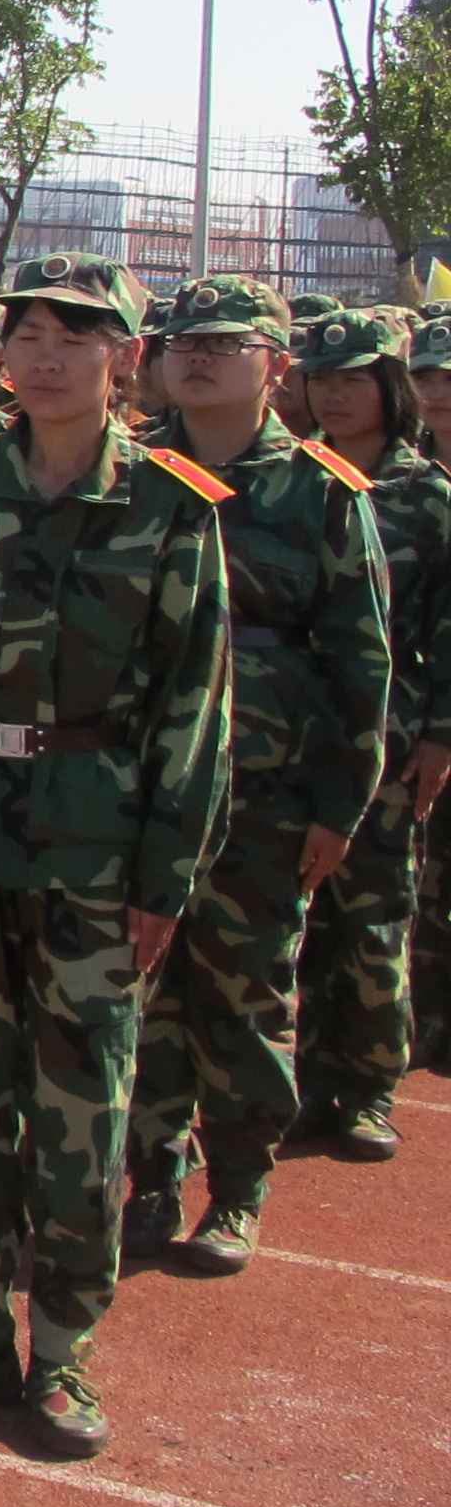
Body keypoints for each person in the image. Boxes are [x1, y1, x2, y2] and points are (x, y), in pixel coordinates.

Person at [0, 253, 230, 1461]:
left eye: (79, 335)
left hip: (96, 837)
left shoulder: (172, 509)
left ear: (125, 359)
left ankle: (62, 1354)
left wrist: (164, 876)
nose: (50, 354)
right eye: (27, 334)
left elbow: (193, 710)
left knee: (83, 1105)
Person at [124, 277, 387, 1278]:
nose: (195, 356)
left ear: (277, 366)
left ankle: (235, 1191)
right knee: (144, 996)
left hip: (262, 790)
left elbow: (362, 665)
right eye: (183, 340)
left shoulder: (320, 492)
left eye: (225, 342)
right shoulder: (132, 474)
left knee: (244, 997)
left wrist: (339, 804)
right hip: (143, 784)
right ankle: (148, 1176)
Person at [291, 308, 451, 1153]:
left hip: (388, 740)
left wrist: (441, 736)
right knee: (293, 922)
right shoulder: (288, 484)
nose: (336, 394)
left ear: (390, 388)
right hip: (288, 736)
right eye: (322, 378)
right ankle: (305, 1078)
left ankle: (364, 1087)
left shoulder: (425, 496)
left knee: (373, 916)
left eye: (354, 378)